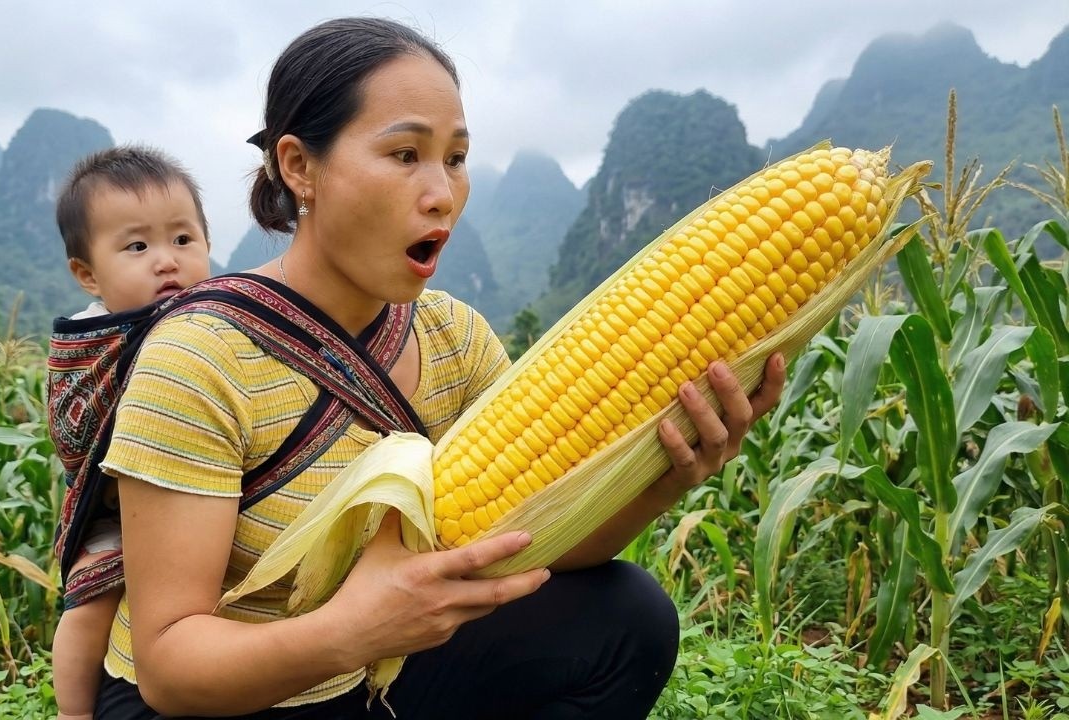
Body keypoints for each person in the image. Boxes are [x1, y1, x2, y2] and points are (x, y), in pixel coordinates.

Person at [94, 17, 787, 720]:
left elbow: (533, 546)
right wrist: (348, 631)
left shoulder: (455, 336)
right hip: (222, 698)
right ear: (300, 166)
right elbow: (171, 668)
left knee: (626, 617)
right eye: (404, 154)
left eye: (455, 159)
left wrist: (663, 474)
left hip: (373, 671)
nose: (443, 194)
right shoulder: (200, 356)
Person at [47, 145, 213, 720]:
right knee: (91, 607)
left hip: (195, 496)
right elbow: (75, 430)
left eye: (184, 240)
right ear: (88, 273)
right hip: (115, 511)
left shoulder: (215, 322)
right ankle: (71, 712)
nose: (167, 261)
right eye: (138, 247)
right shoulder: (92, 342)